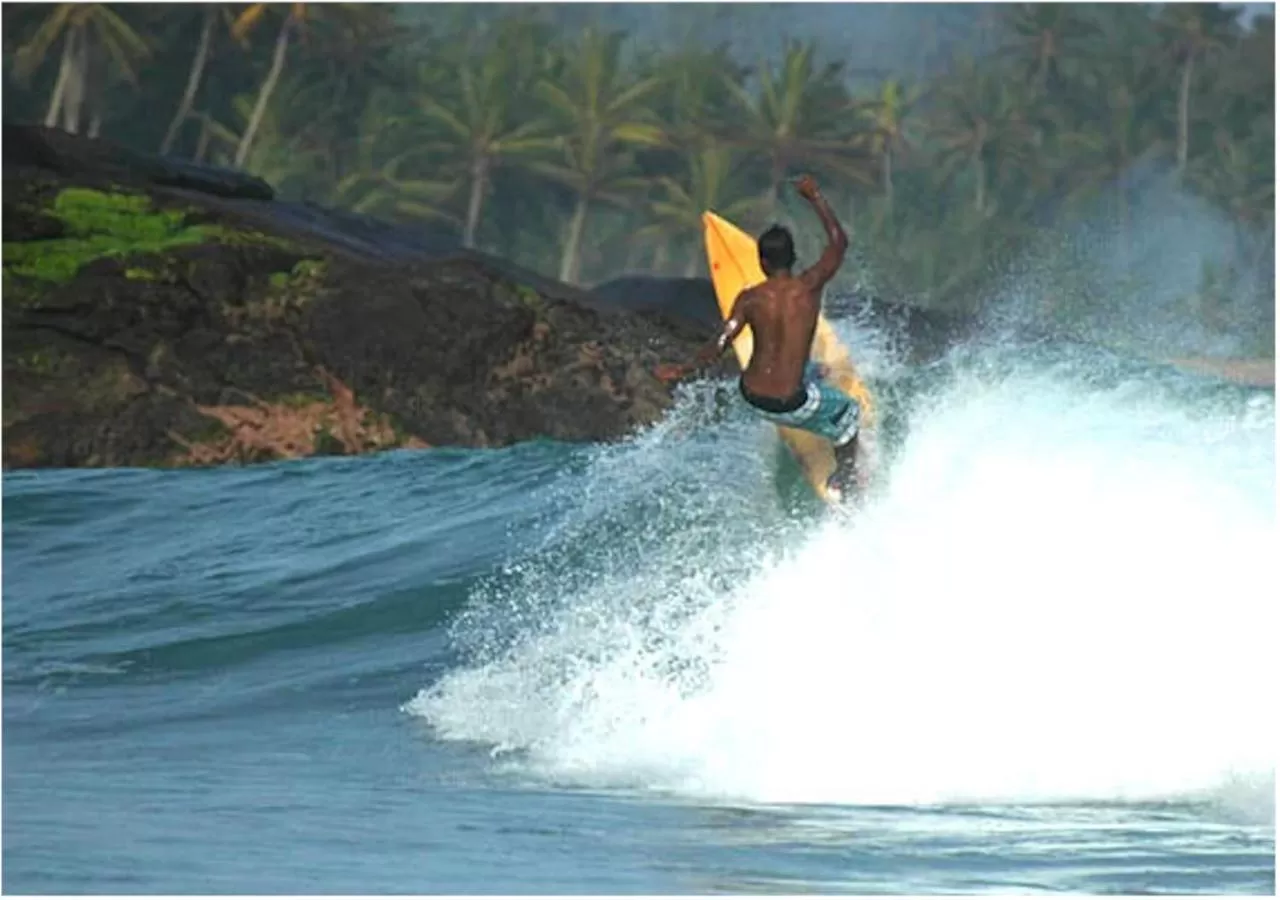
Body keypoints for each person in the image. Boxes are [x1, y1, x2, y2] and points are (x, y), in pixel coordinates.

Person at [655, 174, 866, 498]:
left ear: (761, 262)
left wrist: (680, 370)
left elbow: (721, 343)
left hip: (752, 395)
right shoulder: (808, 288)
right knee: (850, 414)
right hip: (789, 403)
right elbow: (839, 243)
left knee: (813, 369)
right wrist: (815, 196)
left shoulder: (749, 299)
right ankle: (846, 481)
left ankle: (813, 377)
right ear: (793, 257)